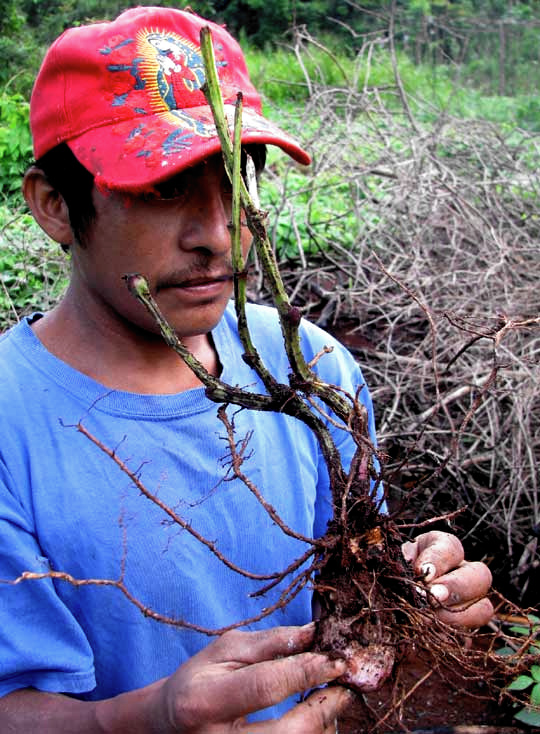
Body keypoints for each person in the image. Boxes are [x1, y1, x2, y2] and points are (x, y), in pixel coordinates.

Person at [0, 6, 493, 732]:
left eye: (236, 177)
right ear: (54, 204)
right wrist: (151, 717)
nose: (217, 233)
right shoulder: (13, 423)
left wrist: (412, 591)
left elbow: (346, 584)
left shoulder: (316, 364)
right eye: (163, 189)